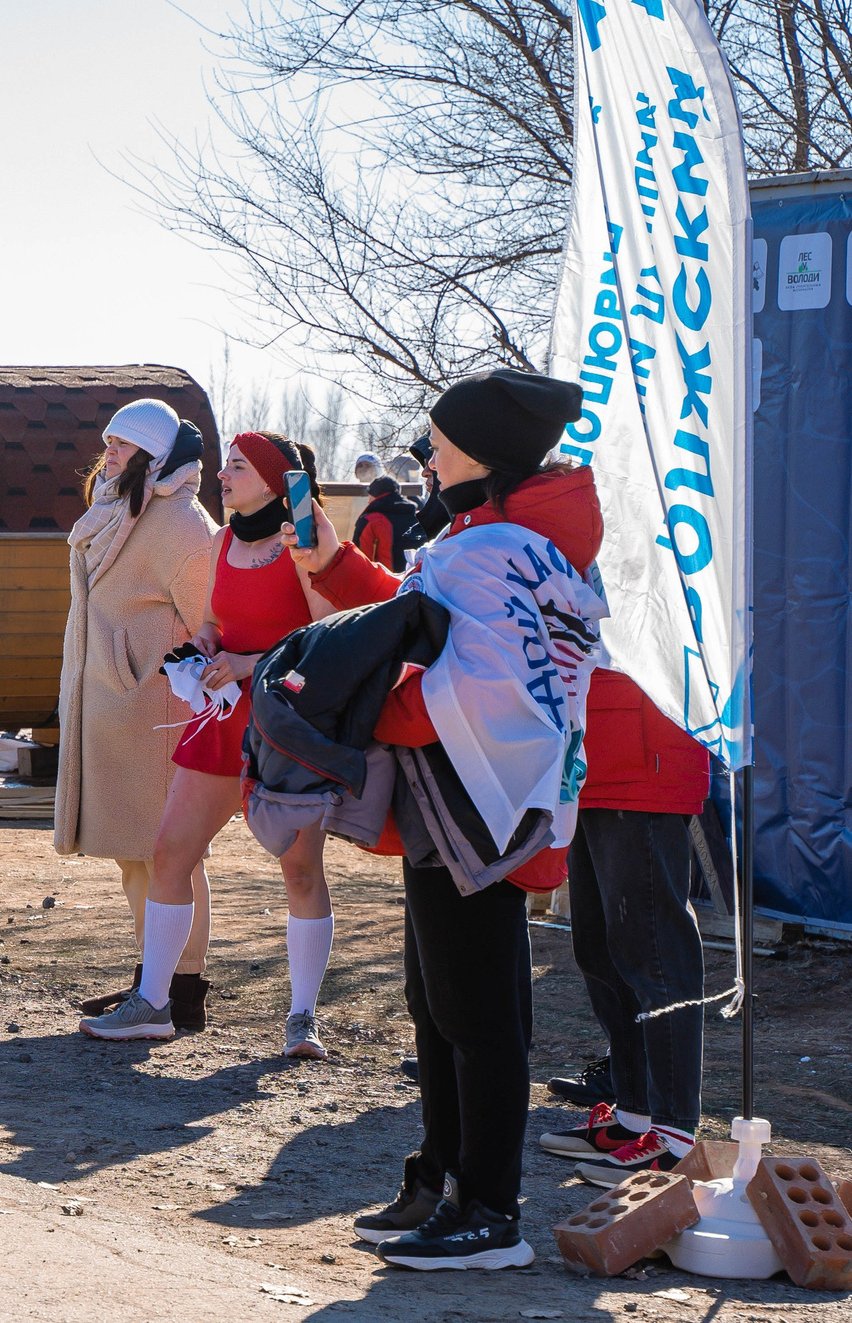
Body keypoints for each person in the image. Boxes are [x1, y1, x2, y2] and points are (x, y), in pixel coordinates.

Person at [294, 369, 595, 1270]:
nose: (428, 454)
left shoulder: (499, 547)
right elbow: (424, 624)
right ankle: (442, 1177)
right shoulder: (489, 539)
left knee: (478, 1009)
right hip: (458, 797)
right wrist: (340, 576)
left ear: (487, 454)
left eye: (442, 440)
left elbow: (488, 687)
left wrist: (363, 707)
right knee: (440, 999)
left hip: (480, 800)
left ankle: (490, 1210)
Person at [82, 431, 338, 1056]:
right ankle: (155, 1002)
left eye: (240, 467)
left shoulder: (303, 546)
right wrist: (202, 648)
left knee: (300, 871)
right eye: (227, 465)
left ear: (277, 481)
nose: (223, 475)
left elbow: (329, 639)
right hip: (221, 721)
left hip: (287, 725)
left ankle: (303, 1017)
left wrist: (251, 663)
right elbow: (213, 621)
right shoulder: (222, 542)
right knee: (170, 854)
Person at [51, 400, 220, 1025]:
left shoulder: (183, 526)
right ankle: (151, 976)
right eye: (110, 442)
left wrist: (147, 669)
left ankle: (184, 989)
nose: (110, 453)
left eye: (123, 444)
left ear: (153, 454)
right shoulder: (115, 511)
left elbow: (211, 624)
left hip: (157, 715)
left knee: (172, 855)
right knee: (132, 854)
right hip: (114, 711)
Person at [534, 681, 710, 1178]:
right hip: (591, 763)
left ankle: (674, 1133)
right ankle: (636, 1114)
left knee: (653, 951)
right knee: (598, 949)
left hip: (645, 759)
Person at [351, 474, 423, 571]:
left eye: (370, 496)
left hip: (388, 583)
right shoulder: (419, 517)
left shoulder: (371, 521)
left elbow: (360, 562)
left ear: (375, 496)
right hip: (418, 581)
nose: (368, 501)